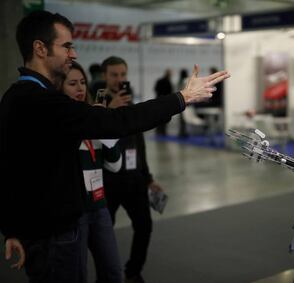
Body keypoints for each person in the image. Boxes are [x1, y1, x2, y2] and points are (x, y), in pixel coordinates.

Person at [0, 10, 229, 283]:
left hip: (44, 230)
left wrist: (12, 228)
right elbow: (118, 121)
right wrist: (182, 97)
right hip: (54, 235)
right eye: (66, 46)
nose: (72, 54)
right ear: (40, 48)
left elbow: (9, 168)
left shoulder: (16, 97)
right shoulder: (40, 101)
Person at [100, 56, 163, 283]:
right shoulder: (97, 103)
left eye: (122, 75)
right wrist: (110, 109)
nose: (119, 79)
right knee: (104, 234)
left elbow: (139, 142)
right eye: (114, 75)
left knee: (144, 226)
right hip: (108, 180)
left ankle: (133, 271)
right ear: (104, 76)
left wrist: (148, 178)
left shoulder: (131, 102)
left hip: (135, 179)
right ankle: (107, 276)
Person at [61, 61, 123, 283]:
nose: (79, 88)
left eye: (83, 83)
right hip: (73, 213)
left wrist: (104, 124)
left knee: (114, 272)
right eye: (72, 83)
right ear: (60, 87)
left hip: (99, 207)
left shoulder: (93, 116)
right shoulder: (59, 122)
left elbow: (115, 165)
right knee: (77, 275)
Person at [154, 69, 173, 136]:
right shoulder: (168, 82)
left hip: (158, 101)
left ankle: (159, 131)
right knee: (164, 117)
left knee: (158, 117)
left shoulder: (159, 81)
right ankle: (163, 131)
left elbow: (155, 89)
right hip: (165, 102)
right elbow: (170, 92)